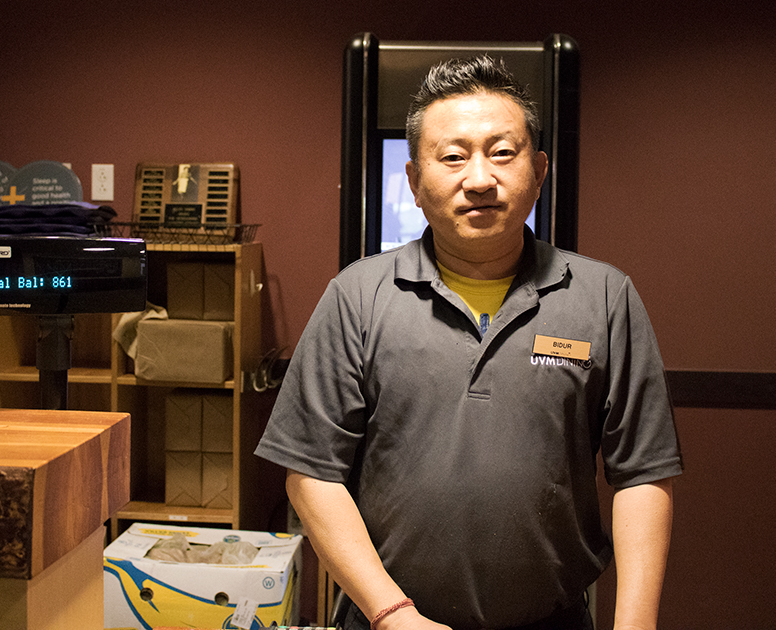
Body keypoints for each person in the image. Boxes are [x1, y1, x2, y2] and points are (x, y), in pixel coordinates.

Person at [254, 55, 682, 630]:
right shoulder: (357, 296)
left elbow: (642, 475)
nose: (479, 178)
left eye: (502, 152)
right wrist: (391, 615)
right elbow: (310, 474)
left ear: (540, 169)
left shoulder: (604, 298)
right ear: (413, 180)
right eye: (452, 157)